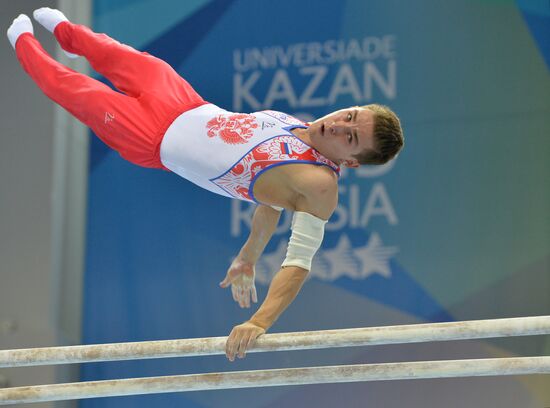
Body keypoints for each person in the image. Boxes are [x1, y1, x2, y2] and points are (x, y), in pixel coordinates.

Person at [7, 8, 404, 362]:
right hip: (186, 102)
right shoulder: (297, 126)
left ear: (350, 161)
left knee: (75, 90)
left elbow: (298, 264)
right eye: (350, 115)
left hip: (152, 139)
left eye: (350, 137)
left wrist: (259, 322)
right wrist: (248, 256)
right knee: (118, 54)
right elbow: (271, 204)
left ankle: (23, 44)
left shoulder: (320, 185)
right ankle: (68, 35)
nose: (339, 125)